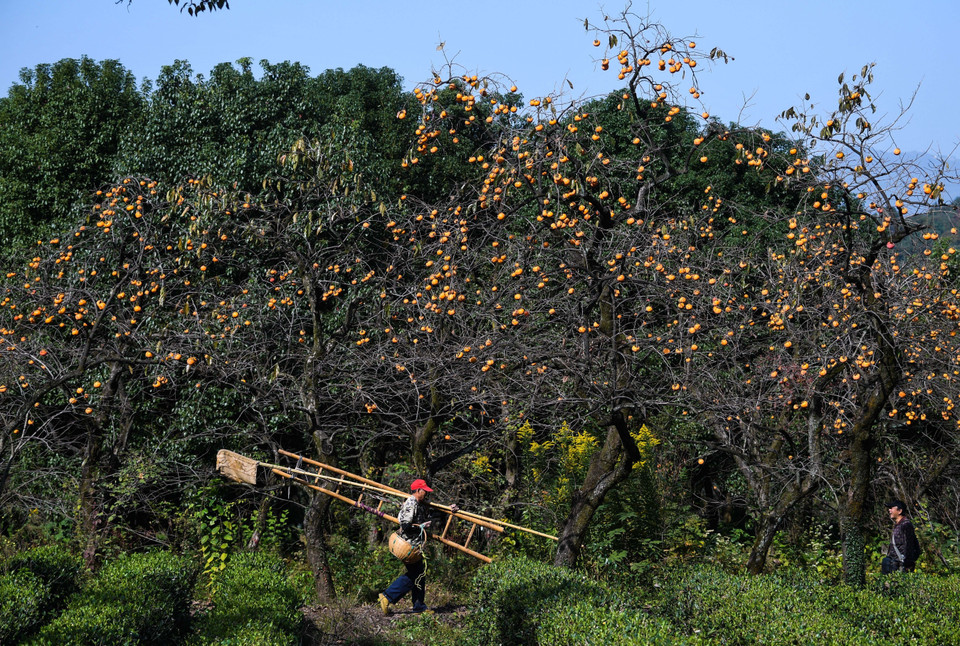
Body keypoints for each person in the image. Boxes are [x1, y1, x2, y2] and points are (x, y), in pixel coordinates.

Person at [378, 479, 456, 614]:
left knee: (420, 573)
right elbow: (405, 526)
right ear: (418, 490)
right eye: (424, 491)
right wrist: (421, 527)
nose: (426, 493)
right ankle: (387, 596)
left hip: (414, 545)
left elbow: (433, 513)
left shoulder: (419, 504)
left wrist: (449, 509)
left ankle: (419, 605)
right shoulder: (411, 503)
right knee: (416, 575)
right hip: (407, 545)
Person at [882, 499, 921, 574]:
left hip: (901, 566)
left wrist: (908, 564)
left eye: (891, 508)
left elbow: (911, 545)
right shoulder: (898, 525)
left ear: (899, 511)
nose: (889, 510)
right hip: (893, 564)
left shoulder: (906, 525)